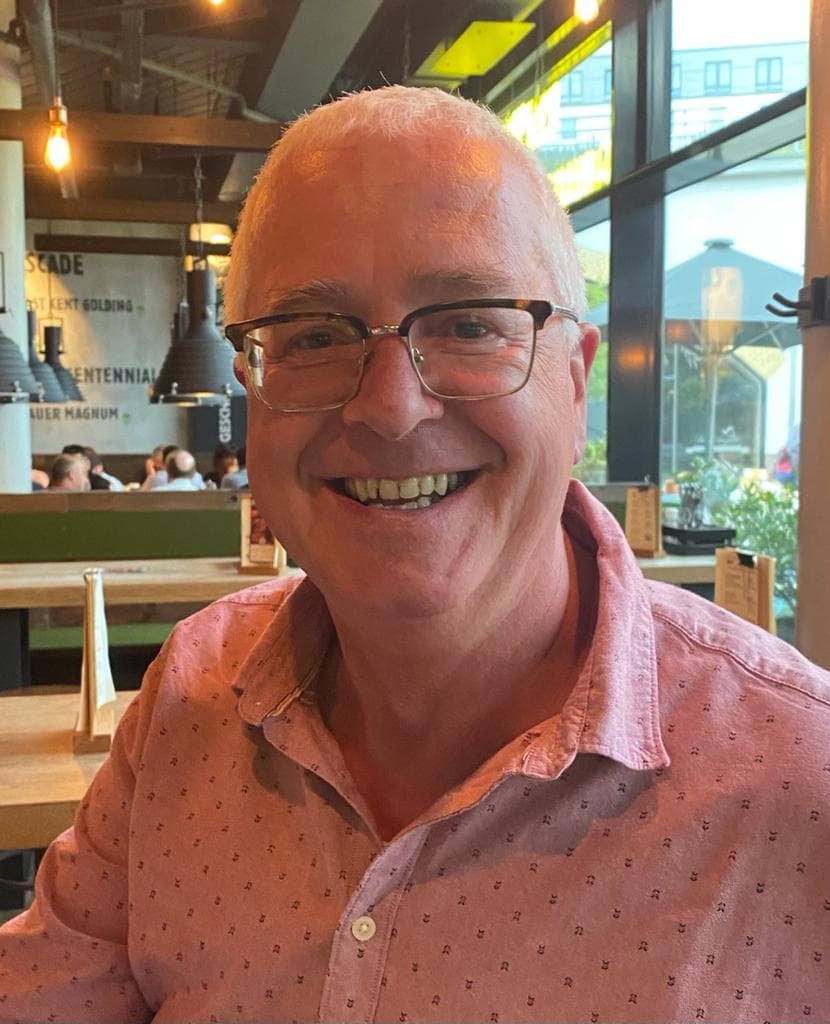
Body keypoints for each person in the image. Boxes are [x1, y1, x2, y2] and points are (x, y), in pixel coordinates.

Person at [1, 86, 828, 1024]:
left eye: (468, 322)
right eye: (312, 336)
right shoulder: (191, 696)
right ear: (253, 394)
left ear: (575, 376)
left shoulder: (803, 788)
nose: (390, 408)